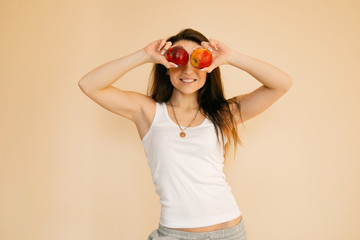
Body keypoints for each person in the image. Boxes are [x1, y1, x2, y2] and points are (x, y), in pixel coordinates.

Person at [78, 28, 293, 240]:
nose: (189, 70)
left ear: (210, 67)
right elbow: (89, 85)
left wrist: (231, 57)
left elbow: (281, 84)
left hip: (228, 232)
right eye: (180, 60)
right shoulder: (148, 112)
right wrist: (144, 55)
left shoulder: (223, 114)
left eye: (198, 60)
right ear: (166, 66)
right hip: (174, 234)